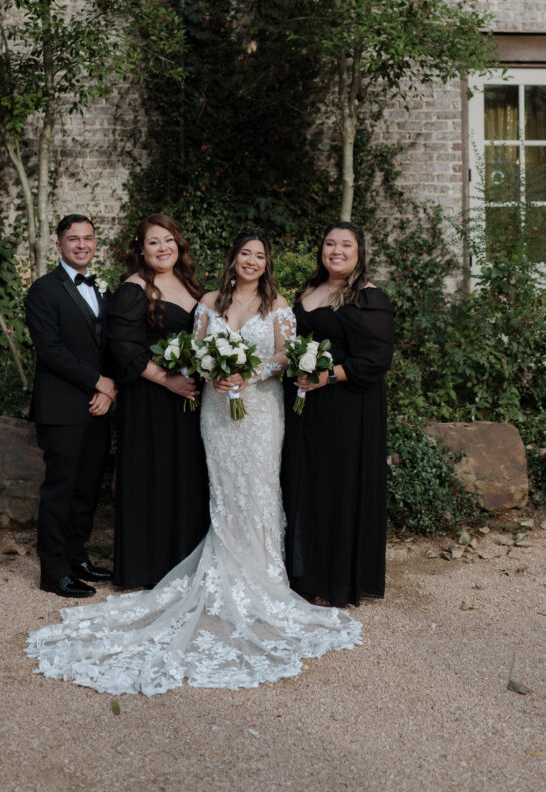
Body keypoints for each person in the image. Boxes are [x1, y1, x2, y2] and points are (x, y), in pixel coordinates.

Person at [26, 230, 361, 696]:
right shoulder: (208, 299)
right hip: (217, 411)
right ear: (233, 259)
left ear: (267, 264)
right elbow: (199, 351)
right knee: (223, 490)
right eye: (244, 253)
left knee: (261, 488)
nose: (251, 261)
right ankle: (220, 572)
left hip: (262, 411)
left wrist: (252, 371)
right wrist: (216, 372)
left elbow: (285, 355)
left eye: (259, 256)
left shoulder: (279, 303)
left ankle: (263, 580)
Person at [281, 222, 395, 609]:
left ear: (359, 252)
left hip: (347, 409)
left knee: (336, 486)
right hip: (304, 408)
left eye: (346, 245)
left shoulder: (368, 297)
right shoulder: (309, 292)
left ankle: (334, 579)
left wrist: (326, 376)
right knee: (305, 483)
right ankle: (304, 571)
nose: (337, 250)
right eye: (330, 243)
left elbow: (376, 361)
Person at [106, 214, 209, 589]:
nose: (162, 247)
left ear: (179, 245)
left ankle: (182, 563)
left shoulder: (191, 286)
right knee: (153, 475)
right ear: (141, 249)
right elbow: (122, 349)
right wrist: (169, 381)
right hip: (150, 400)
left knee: (185, 478)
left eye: (168, 240)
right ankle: (146, 568)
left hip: (189, 399)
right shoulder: (134, 289)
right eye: (153, 242)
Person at [25, 214, 117, 598]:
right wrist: (98, 381)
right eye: (73, 239)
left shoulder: (102, 288)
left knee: (87, 488)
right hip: (62, 408)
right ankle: (53, 570)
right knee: (60, 489)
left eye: (88, 238)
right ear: (59, 245)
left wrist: (107, 391)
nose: (82, 245)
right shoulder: (43, 290)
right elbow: (51, 351)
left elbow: (109, 345)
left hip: (98, 406)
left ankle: (77, 557)